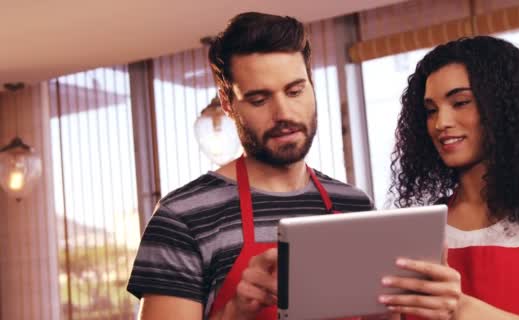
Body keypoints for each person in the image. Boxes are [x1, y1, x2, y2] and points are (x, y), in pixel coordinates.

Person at [127, 12, 374, 320]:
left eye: (295, 91)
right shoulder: (182, 218)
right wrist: (235, 313)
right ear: (228, 103)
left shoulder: (354, 204)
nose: (283, 112)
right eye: (259, 99)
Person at [378, 36, 519, 319]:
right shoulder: (417, 229)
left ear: (504, 108)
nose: (441, 123)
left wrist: (460, 309)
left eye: (460, 102)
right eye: (431, 111)